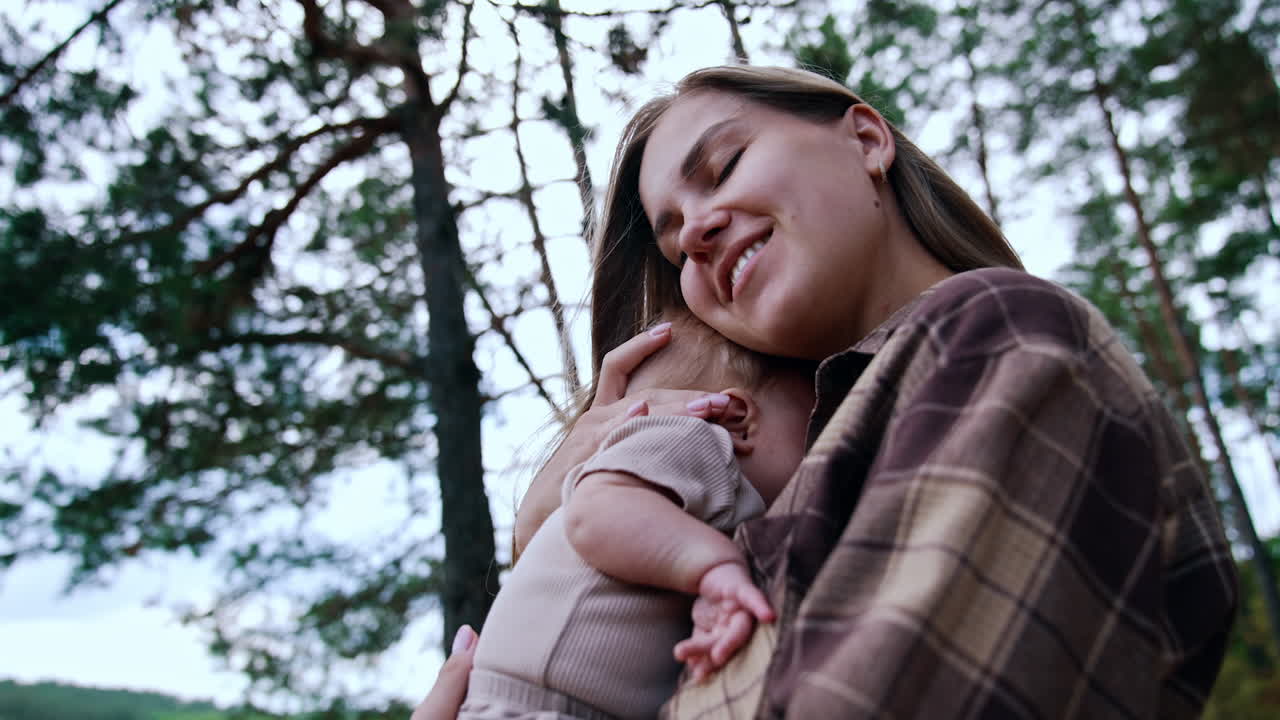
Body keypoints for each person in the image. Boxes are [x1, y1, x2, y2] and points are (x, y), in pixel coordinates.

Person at [416, 65, 1237, 719]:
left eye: (725, 164)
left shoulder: (1003, 333)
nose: (696, 235)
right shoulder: (763, 482)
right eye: (673, 251)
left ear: (867, 138)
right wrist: (547, 532)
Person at [457, 309, 816, 720]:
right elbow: (595, 511)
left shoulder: (684, 500)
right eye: (817, 422)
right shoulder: (697, 438)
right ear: (737, 417)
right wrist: (715, 567)